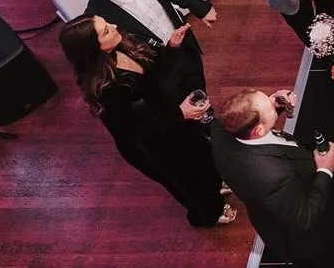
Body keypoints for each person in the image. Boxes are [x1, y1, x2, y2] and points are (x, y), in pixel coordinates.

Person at [59, 15, 232, 228]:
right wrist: (179, 114)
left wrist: (171, 48)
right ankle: (210, 214)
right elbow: (131, 131)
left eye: (108, 22)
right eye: (105, 31)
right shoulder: (106, 89)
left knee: (202, 155)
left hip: (172, 121)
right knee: (187, 179)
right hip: (152, 146)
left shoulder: (125, 44)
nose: (114, 26)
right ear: (93, 49)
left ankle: (215, 185)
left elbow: (156, 77)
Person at [213, 89, 334, 268]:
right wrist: (325, 170)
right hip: (305, 236)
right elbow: (304, 218)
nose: (273, 98)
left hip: (278, 200)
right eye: (269, 103)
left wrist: (275, 107)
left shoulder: (220, 127)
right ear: (258, 131)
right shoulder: (270, 176)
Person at [75, 0, 213, 103]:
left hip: (186, 47)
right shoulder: (98, 16)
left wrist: (201, 8)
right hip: (158, 71)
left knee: (198, 86)